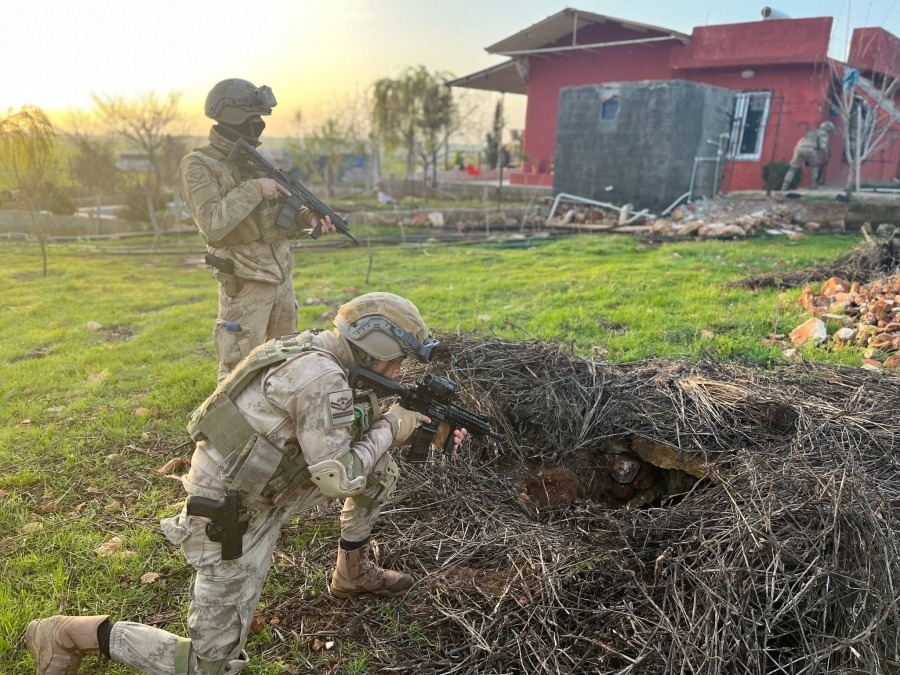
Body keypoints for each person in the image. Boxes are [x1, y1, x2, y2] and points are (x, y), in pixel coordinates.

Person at [25, 293, 468, 675]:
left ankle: (351, 574)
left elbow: (332, 430)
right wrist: (393, 426)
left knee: (379, 468)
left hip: (266, 484)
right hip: (230, 514)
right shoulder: (322, 377)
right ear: (374, 347)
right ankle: (67, 634)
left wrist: (423, 427)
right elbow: (336, 478)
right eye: (397, 359)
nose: (396, 370)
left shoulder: (315, 350)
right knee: (209, 665)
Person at [181, 78, 337, 383]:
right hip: (245, 281)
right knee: (240, 371)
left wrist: (307, 218)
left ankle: (275, 426)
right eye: (252, 117)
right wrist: (254, 189)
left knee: (284, 363)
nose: (258, 123)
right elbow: (212, 224)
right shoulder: (199, 164)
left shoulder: (254, 159)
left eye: (260, 117)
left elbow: (274, 215)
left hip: (281, 279)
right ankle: (225, 430)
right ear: (230, 116)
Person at [781, 121, 835, 190]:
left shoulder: (812, 132)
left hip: (799, 147)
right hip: (810, 149)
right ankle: (812, 186)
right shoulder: (823, 133)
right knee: (815, 166)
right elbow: (823, 146)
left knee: (793, 168)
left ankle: (784, 187)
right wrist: (826, 155)